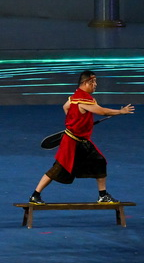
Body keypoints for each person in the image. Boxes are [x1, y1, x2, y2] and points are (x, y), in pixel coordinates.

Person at [29, 71, 134, 204]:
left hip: (82, 140)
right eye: (94, 82)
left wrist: (75, 121)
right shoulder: (84, 99)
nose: (95, 85)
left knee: (100, 161)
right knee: (57, 169)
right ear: (86, 83)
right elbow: (102, 111)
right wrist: (120, 111)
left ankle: (103, 195)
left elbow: (65, 107)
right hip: (72, 142)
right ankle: (35, 195)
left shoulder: (74, 97)